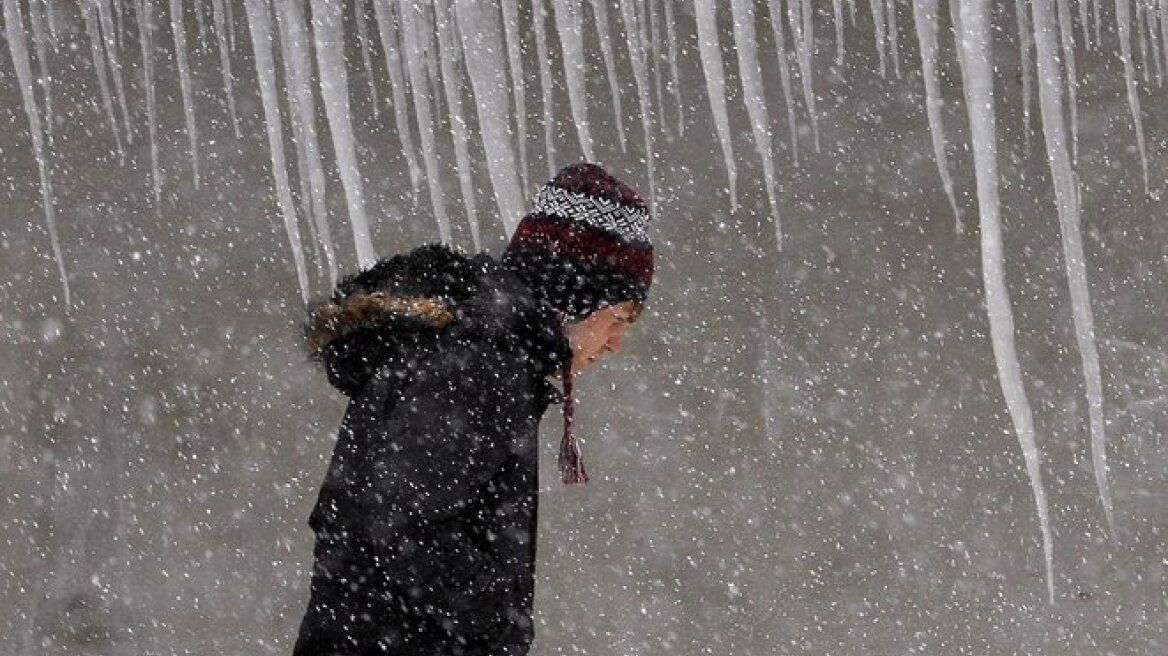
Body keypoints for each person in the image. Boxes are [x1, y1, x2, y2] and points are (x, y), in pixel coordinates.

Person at [292, 162, 654, 655]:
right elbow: (401, 519)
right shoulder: (483, 366)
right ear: (574, 299)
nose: (615, 343)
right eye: (618, 317)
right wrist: (496, 624)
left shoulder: (476, 354)